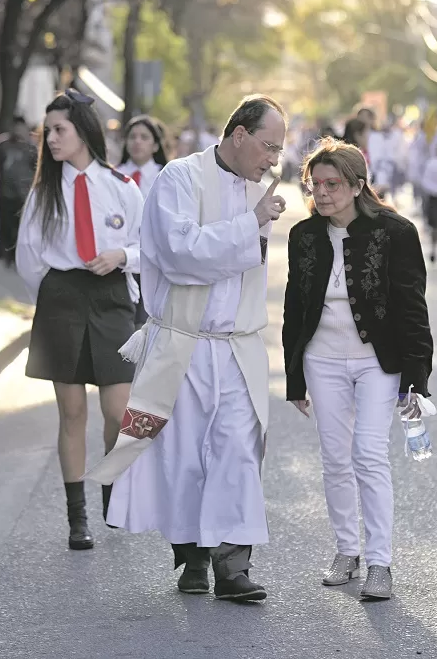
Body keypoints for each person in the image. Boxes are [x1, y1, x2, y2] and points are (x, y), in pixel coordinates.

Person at [99, 94, 287, 603]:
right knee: (183, 458)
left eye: (279, 150)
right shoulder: (178, 179)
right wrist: (251, 224)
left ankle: (232, 565)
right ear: (240, 133)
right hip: (183, 341)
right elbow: (183, 254)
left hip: (238, 345)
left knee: (238, 455)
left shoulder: (257, 189)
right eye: (268, 146)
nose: (273, 159)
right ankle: (191, 557)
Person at [283, 138, 432, 601]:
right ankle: (347, 551)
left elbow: (412, 306)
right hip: (322, 359)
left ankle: (380, 563)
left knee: (368, 453)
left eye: (333, 184)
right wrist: (295, 378)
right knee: (334, 457)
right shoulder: (303, 236)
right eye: (315, 183)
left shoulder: (397, 232)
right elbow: (294, 308)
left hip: (377, 360)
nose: (322, 193)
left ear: (357, 185)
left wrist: (416, 376)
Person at [16, 90, 143, 553]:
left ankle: (112, 484)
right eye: (46, 131)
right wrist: (49, 302)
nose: (50, 139)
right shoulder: (43, 193)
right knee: (72, 412)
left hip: (110, 298)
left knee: (118, 412)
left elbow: (151, 250)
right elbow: (29, 257)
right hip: (61, 299)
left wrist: (122, 256)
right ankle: (77, 519)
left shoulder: (122, 186)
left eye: (59, 130)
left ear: (83, 132)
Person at [118, 115, 170, 326]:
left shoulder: (166, 176)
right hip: (122, 256)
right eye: (132, 137)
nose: (137, 142)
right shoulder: (114, 175)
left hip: (155, 258)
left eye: (144, 137)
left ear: (156, 144)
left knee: (148, 322)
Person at [0, 116, 37, 267]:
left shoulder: (32, 149)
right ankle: (7, 255)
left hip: (25, 195)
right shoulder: (4, 146)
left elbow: (36, 170)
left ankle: (19, 256)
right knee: (7, 225)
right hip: (6, 193)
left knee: (22, 227)